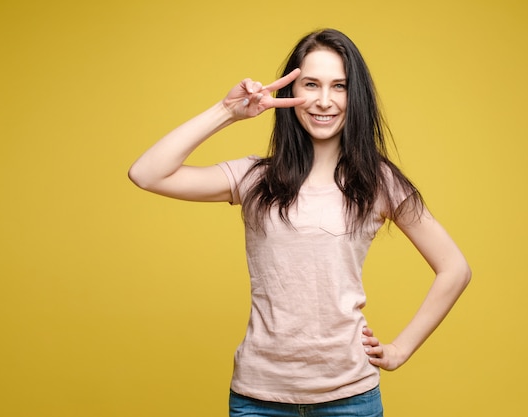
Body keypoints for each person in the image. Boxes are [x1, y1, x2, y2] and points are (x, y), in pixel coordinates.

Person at [129, 28, 471, 417]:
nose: (324, 101)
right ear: (292, 93)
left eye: (339, 86)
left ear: (354, 96)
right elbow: (147, 174)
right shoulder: (254, 178)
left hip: (350, 400)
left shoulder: (378, 182)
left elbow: (454, 269)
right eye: (311, 84)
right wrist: (226, 112)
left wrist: (399, 350)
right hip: (258, 399)